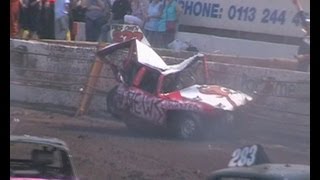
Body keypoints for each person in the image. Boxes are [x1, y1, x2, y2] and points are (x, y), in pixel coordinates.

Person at [292, 0, 310, 72]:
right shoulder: (307, 31)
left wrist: (304, 57)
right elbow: (301, 15)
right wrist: (297, 4)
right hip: (301, 63)